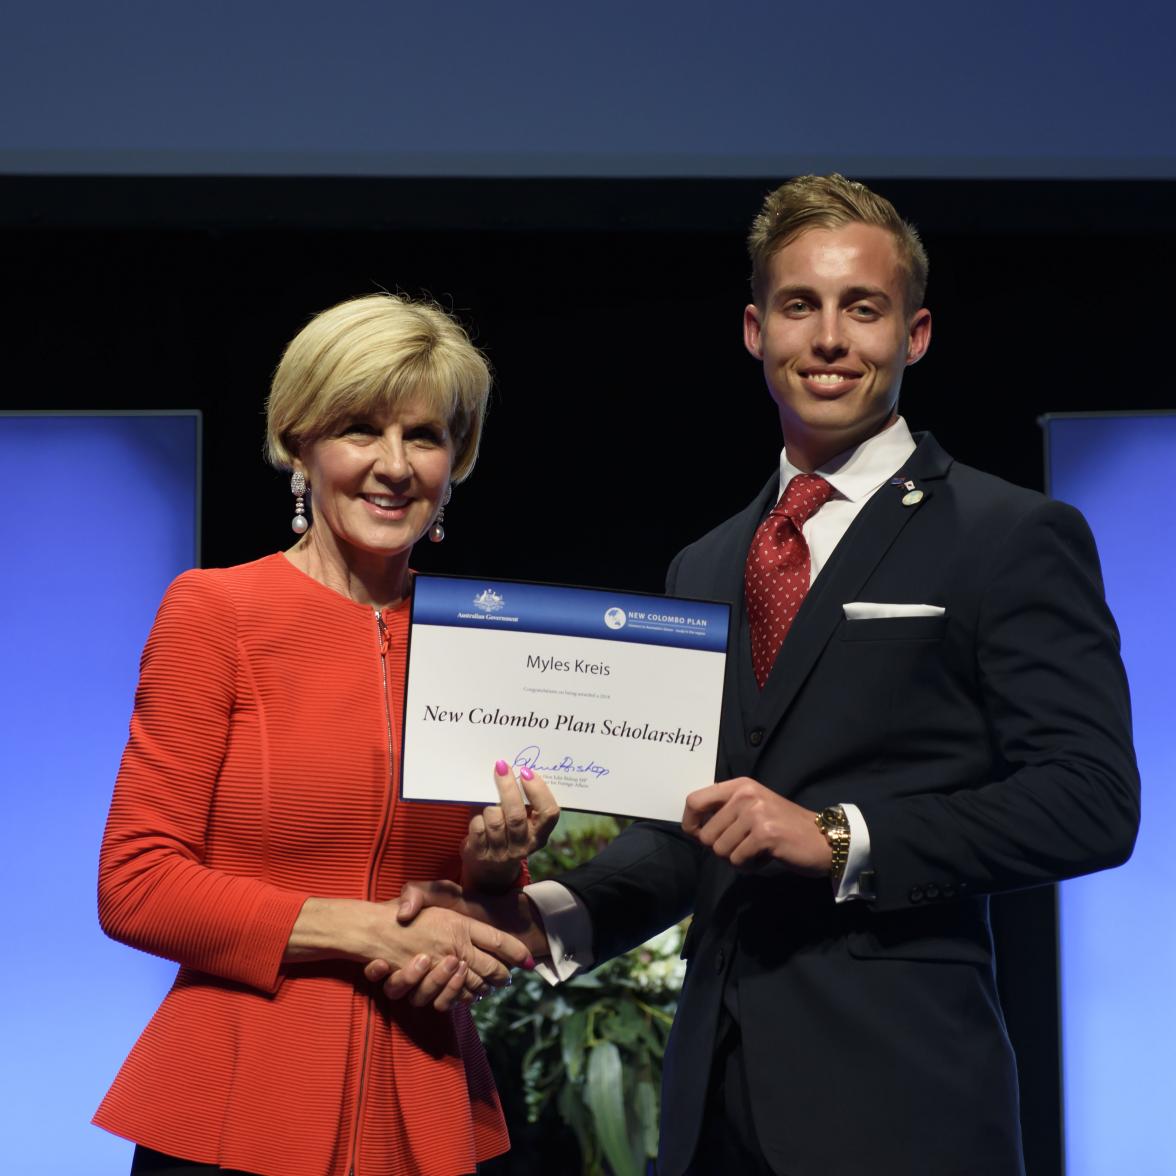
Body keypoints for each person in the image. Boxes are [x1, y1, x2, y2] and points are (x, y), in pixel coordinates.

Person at [380, 176, 1140, 1175]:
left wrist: (839, 838)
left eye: (862, 308)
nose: (829, 338)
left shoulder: (1010, 536)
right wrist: (530, 917)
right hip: (710, 1114)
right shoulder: (706, 564)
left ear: (913, 335)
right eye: (800, 305)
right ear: (755, 329)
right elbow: (682, 833)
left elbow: (1091, 802)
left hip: (906, 1107)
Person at [94, 293, 560, 1176]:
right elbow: (136, 883)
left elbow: (472, 909)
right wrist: (368, 932)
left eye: (425, 436)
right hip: (238, 1098)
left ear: (456, 461)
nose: (394, 466)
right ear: (297, 441)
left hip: (425, 1098)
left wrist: (496, 870)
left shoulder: (480, 641)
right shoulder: (215, 612)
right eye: (360, 428)